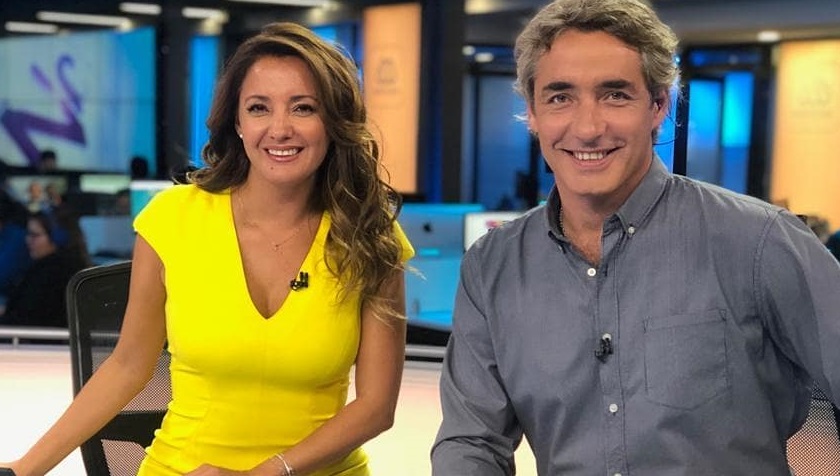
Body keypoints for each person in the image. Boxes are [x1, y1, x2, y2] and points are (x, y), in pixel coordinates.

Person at [431, 0, 840, 474]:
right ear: (533, 113)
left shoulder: (759, 242)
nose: (588, 128)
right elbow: (472, 442)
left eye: (615, 95)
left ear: (658, 106)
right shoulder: (493, 267)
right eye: (560, 97)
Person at [1, 22, 413, 476]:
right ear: (237, 122)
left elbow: (376, 407)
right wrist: (25, 468)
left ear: (333, 122)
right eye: (259, 108)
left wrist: (266, 473)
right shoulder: (173, 218)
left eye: (303, 108)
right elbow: (127, 366)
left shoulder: (369, 236)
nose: (280, 129)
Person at [0, 208, 90, 328]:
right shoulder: (52, 267)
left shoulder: (53, 273)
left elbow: (26, 317)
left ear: (58, 238)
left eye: (34, 235)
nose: (28, 240)